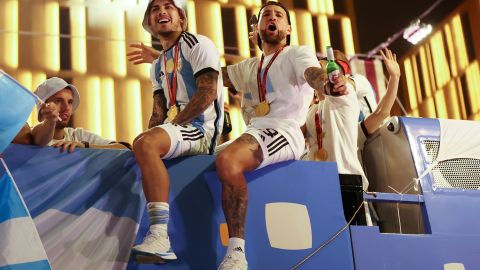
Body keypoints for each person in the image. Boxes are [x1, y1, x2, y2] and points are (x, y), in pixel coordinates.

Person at [215, 2, 348, 269]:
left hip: (285, 132)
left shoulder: (297, 54)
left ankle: (237, 254)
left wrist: (326, 84)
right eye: (266, 15)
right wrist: (169, 60)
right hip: (255, 132)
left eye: (278, 15)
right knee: (205, 160)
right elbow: (212, 78)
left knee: (228, 160)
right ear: (257, 29)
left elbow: (313, 74)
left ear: (288, 28)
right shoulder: (250, 67)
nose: (272, 17)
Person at [130, 0, 224, 263]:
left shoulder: (198, 43)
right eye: (155, 8)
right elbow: (158, 113)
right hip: (178, 128)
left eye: (169, 7)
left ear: (182, 18)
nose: (161, 11)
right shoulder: (156, 65)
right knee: (143, 144)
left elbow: (207, 94)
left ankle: (159, 235)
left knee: (147, 144)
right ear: (149, 24)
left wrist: (163, 132)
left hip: (199, 129)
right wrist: (144, 141)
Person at [32, 77, 128, 152]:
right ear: (42, 108)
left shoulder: (78, 136)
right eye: (58, 101)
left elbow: (125, 148)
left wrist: (85, 145)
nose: (67, 107)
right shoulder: (30, 135)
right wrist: (51, 121)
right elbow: (39, 139)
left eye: (70, 102)